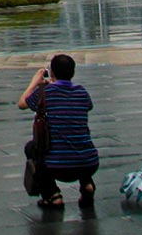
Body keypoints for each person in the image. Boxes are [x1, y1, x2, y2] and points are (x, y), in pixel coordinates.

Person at [18, 54, 99, 208]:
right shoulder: (82, 92)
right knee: (76, 140)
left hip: (58, 166)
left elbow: (22, 104)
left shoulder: (45, 93)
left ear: (52, 73)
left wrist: (34, 83)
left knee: (31, 148)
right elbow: (88, 106)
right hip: (89, 163)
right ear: (73, 73)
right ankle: (87, 183)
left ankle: (53, 195)